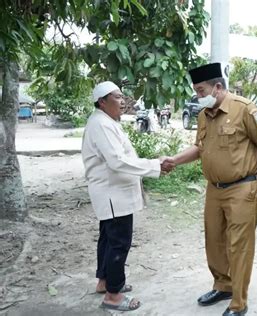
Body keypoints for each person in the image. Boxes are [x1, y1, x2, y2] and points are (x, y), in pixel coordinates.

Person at [162, 63, 257, 316]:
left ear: (218, 87)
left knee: (239, 245)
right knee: (213, 241)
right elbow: (200, 149)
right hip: (215, 189)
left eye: (201, 91)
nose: (199, 96)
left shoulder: (245, 109)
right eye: (197, 91)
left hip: (243, 188)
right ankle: (222, 285)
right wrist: (174, 160)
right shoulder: (204, 115)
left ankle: (238, 302)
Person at [81, 81, 173, 311]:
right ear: (102, 102)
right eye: (117, 97)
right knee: (119, 244)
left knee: (108, 239)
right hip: (113, 195)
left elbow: (121, 156)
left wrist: (152, 164)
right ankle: (113, 296)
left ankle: (105, 282)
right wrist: (155, 165)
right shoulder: (101, 124)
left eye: (123, 97)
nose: (123, 102)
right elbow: (117, 161)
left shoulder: (105, 121)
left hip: (113, 193)